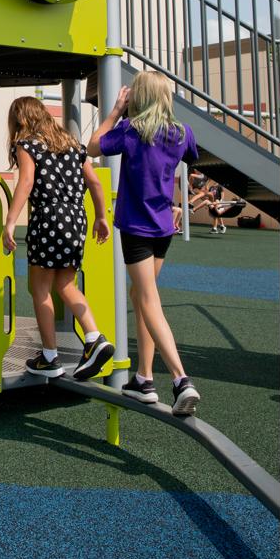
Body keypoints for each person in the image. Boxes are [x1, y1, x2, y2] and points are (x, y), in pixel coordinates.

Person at [89, 72, 203, 416]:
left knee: (148, 299)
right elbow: (190, 161)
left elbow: (94, 146)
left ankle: (181, 379)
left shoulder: (130, 130)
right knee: (141, 296)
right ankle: (144, 378)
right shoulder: (182, 133)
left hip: (137, 227)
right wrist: (176, 200)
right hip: (162, 228)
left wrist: (114, 111)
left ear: (137, 96)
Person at [2, 96, 115, 381]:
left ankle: (50, 357)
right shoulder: (73, 145)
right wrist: (102, 216)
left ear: (20, 120)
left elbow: (27, 182)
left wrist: (11, 221)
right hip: (76, 218)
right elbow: (95, 182)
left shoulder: (27, 144)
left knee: (40, 289)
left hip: (48, 217)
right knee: (65, 283)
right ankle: (93, 336)